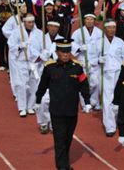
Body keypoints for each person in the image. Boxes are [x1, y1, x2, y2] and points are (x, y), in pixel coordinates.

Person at [35, 38, 91, 170]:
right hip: (57, 110)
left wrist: (87, 102)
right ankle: (62, 167)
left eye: (67, 51)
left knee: (67, 139)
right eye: (62, 52)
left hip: (72, 110)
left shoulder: (77, 68)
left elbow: (83, 85)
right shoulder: (50, 68)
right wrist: (38, 100)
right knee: (60, 140)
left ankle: (64, 163)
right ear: (57, 52)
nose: (66, 54)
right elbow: (42, 85)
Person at [98, 19, 124, 136]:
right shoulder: (99, 42)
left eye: (113, 27)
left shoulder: (120, 42)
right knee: (107, 99)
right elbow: (90, 58)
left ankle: (119, 119)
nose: (112, 30)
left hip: (118, 73)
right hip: (105, 74)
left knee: (119, 98)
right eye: (109, 27)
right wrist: (98, 60)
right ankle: (110, 126)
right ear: (105, 29)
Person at [7, 14, 43, 117]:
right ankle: (22, 107)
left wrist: (41, 55)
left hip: (34, 62)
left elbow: (42, 46)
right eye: (29, 22)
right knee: (22, 85)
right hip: (21, 61)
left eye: (32, 22)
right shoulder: (17, 32)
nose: (31, 24)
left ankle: (30, 106)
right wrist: (19, 47)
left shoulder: (39, 33)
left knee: (34, 85)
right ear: (24, 22)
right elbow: (11, 45)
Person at [71, 13, 102, 109]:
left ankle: (94, 102)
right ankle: (85, 104)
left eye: (91, 19)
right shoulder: (78, 32)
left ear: (94, 20)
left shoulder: (99, 32)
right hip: (83, 61)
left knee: (95, 83)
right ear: (84, 20)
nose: (89, 21)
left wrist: (100, 58)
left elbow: (102, 45)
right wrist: (79, 48)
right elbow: (72, 42)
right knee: (84, 84)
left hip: (94, 61)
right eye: (87, 19)